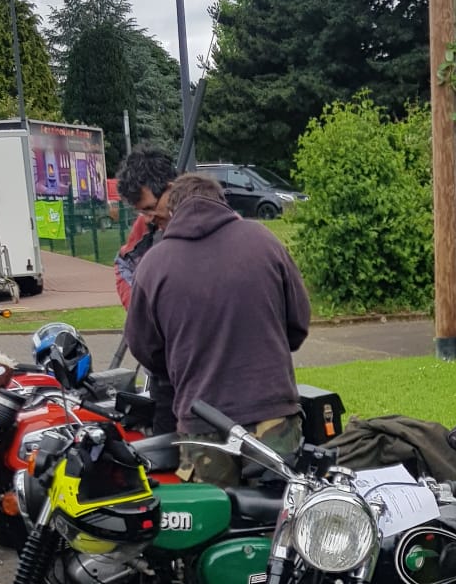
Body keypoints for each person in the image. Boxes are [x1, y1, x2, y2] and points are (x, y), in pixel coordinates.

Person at [124, 171, 311, 487]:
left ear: (173, 211)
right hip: (272, 412)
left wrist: (180, 365)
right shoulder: (265, 241)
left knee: (211, 525)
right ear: (222, 202)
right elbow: (298, 323)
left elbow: (145, 349)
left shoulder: (154, 265)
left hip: (201, 422)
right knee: (280, 519)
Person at [112, 146, 176, 309]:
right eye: (141, 211)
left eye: (150, 208)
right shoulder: (146, 227)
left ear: (171, 189)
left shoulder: (216, 220)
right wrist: (141, 311)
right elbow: (124, 263)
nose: (148, 218)